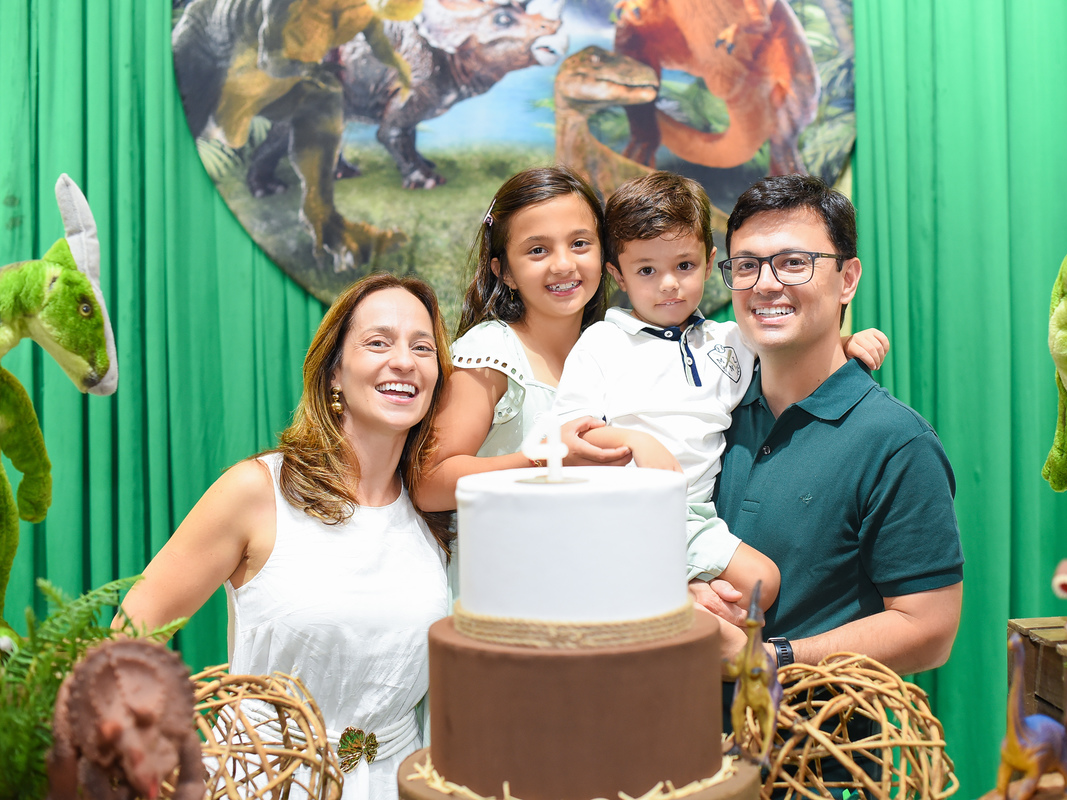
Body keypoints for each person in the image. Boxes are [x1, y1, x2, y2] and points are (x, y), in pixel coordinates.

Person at [120, 273, 453, 800]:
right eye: (378, 342)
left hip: (396, 780)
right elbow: (128, 638)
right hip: (267, 779)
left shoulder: (434, 515)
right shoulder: (257, 491)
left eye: (422, 347)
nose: (404, 362)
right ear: (334, 372)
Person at [549, 171, 889, 610]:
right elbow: (568, 433)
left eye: (684, 266)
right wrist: (635, 441)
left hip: (691, 515)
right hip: (620, 505)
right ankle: (649, 589)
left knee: (758, 585)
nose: (668, 283)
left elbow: (792, 345)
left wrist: (845, 342)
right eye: (647, 270)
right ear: (618, 274)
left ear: (709, 264)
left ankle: (670, 596)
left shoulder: (730, 340)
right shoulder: (602, 342)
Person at [712, 173, 964, 674]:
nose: (766, 284)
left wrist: (767, 659)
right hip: (680, 719)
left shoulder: (896, 442)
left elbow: (928, 630)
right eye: (747, 265)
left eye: (793, 263)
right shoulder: (707, 412)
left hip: (818, 724)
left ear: (847, 278)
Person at [412, 165, 667, 514]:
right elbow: (428, 485)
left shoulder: (614, 349)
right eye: (537, 250)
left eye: (579, 244)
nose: (563, 265)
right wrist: (544, 459)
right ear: (505, 272)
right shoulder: (491, 353)